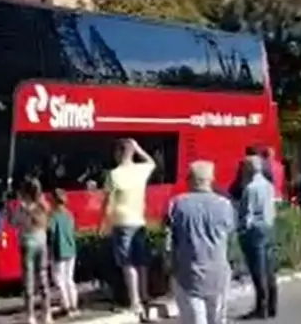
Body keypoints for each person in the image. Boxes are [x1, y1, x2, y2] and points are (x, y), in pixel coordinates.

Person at [167, 160, 234, 324]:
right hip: (218, 272)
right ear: (211, 179)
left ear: (190, 179)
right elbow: (230, 236)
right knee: (217, 319)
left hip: (187, 272)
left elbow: (169, 240)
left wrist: (168, 265)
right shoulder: (225, 205)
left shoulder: (177, 204)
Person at [100, 138, 155, 320]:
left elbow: (108, 203)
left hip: (121, 222)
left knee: (127, 263)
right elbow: (151, 162)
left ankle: (135, 301)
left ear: (117, 153)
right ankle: (144, 295)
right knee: (141, 262)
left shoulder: (113, 175)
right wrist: (138, 148)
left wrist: (102, 224)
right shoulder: (141, 171)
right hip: (139, 221)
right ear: (131, 153)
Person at [237, 155, 277, 320]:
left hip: (255, 231)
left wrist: (241, 231)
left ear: (249, 169)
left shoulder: (250, 188)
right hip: (268, 227)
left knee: (257, 270)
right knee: (268, 269)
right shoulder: (268, 185)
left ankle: (262, 308)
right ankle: (272, 306)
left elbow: (248, 215)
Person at [11, 177, 51, 324]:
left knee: (28, 280)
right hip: (42, 241)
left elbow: (14, 223)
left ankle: (31, 316)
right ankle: (46, 314)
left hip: (27, 243)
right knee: (43, 277)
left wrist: (18, 204)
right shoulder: (43, 204)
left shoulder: (22, 207)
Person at [48, 189, 79, 317]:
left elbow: (51, 233)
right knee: (69, 279)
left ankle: (65, 305)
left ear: (54, 200)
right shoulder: (69, 214)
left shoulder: (53, 216)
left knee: (59, 279)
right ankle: (73, 305)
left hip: (59, 250)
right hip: (71, 250)